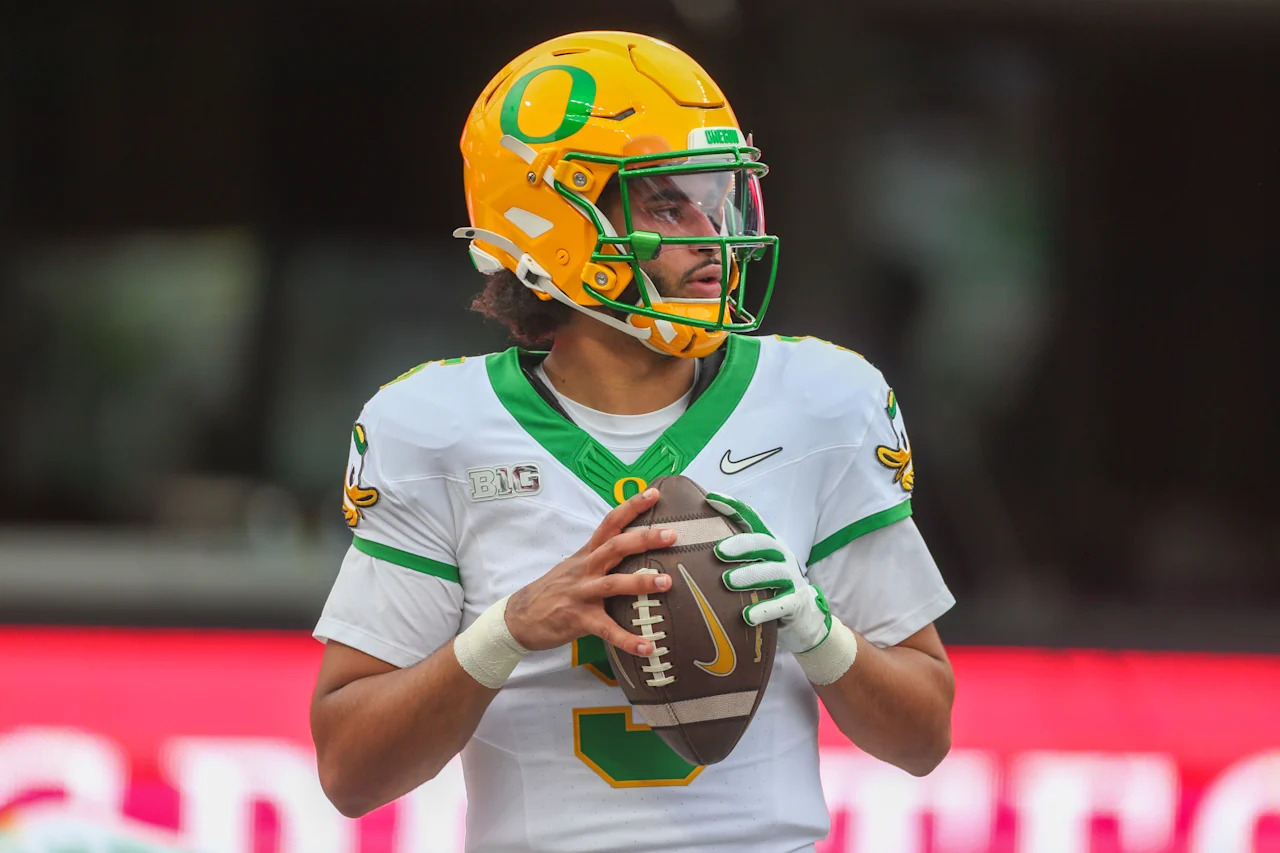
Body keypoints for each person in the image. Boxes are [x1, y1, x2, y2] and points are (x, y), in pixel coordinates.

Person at [310, 30, 956, 853]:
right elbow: (349, 772)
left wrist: (816, 629)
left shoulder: (824, 405)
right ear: (551, 224)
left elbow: (924, 735)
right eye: (665, 202)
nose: (709, 230)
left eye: (716, 195)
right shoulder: (437, 427)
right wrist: (505, 630)